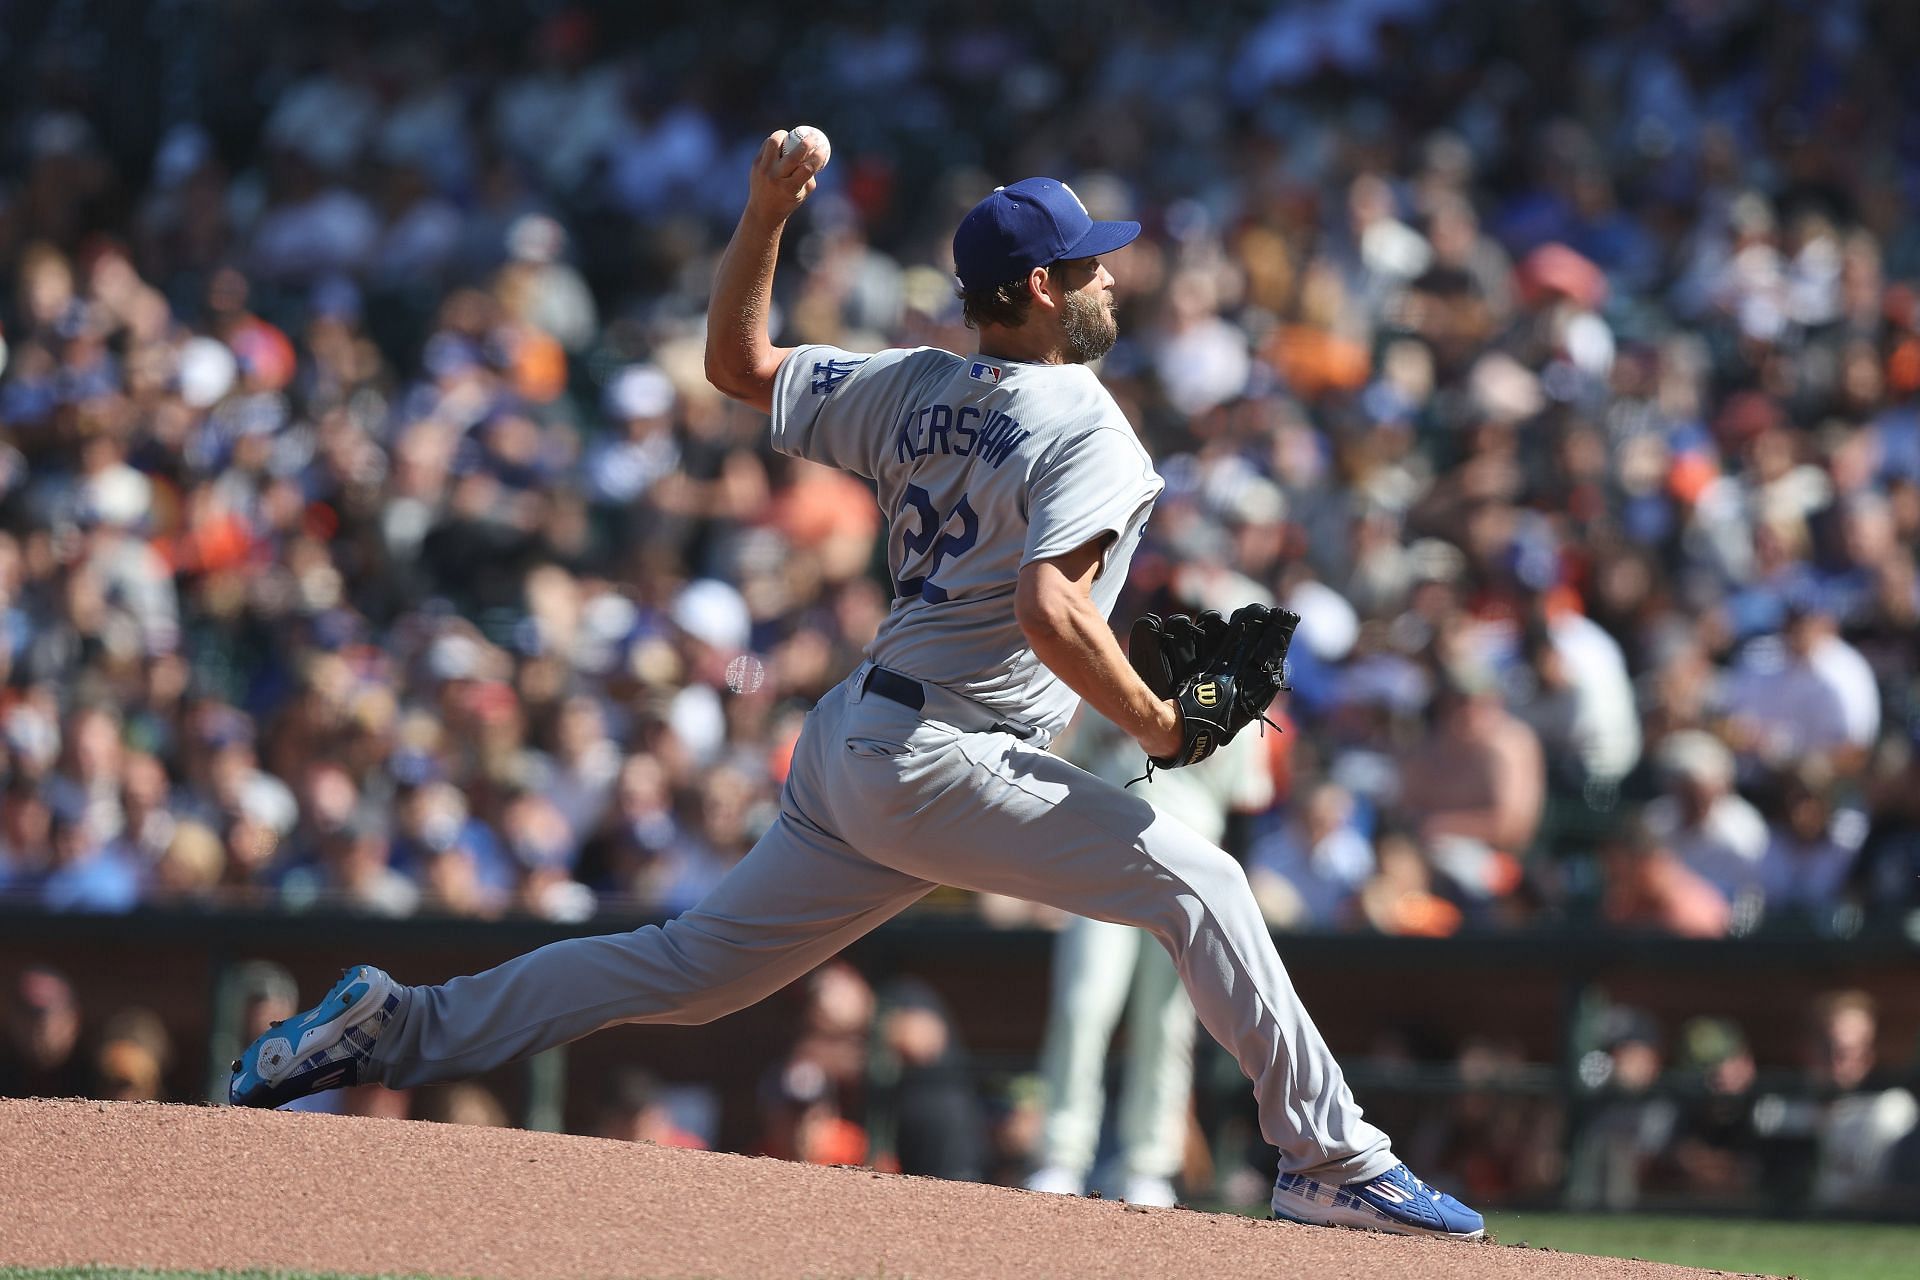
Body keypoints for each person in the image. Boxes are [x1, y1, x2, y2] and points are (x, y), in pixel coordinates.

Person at [228, 131, 1483, 1240]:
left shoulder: (914, 382)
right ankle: (1335, 1159)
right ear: (1040, 289)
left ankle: (397, 1024)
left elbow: (734, 363)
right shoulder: (1088, 424)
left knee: (686, 966)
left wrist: (768, 210)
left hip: (859, 740)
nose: (1112, 276)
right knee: (1202, 876)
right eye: (1091, 263)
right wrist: (1156, 720)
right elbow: (1052, 612)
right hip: (944, 753)